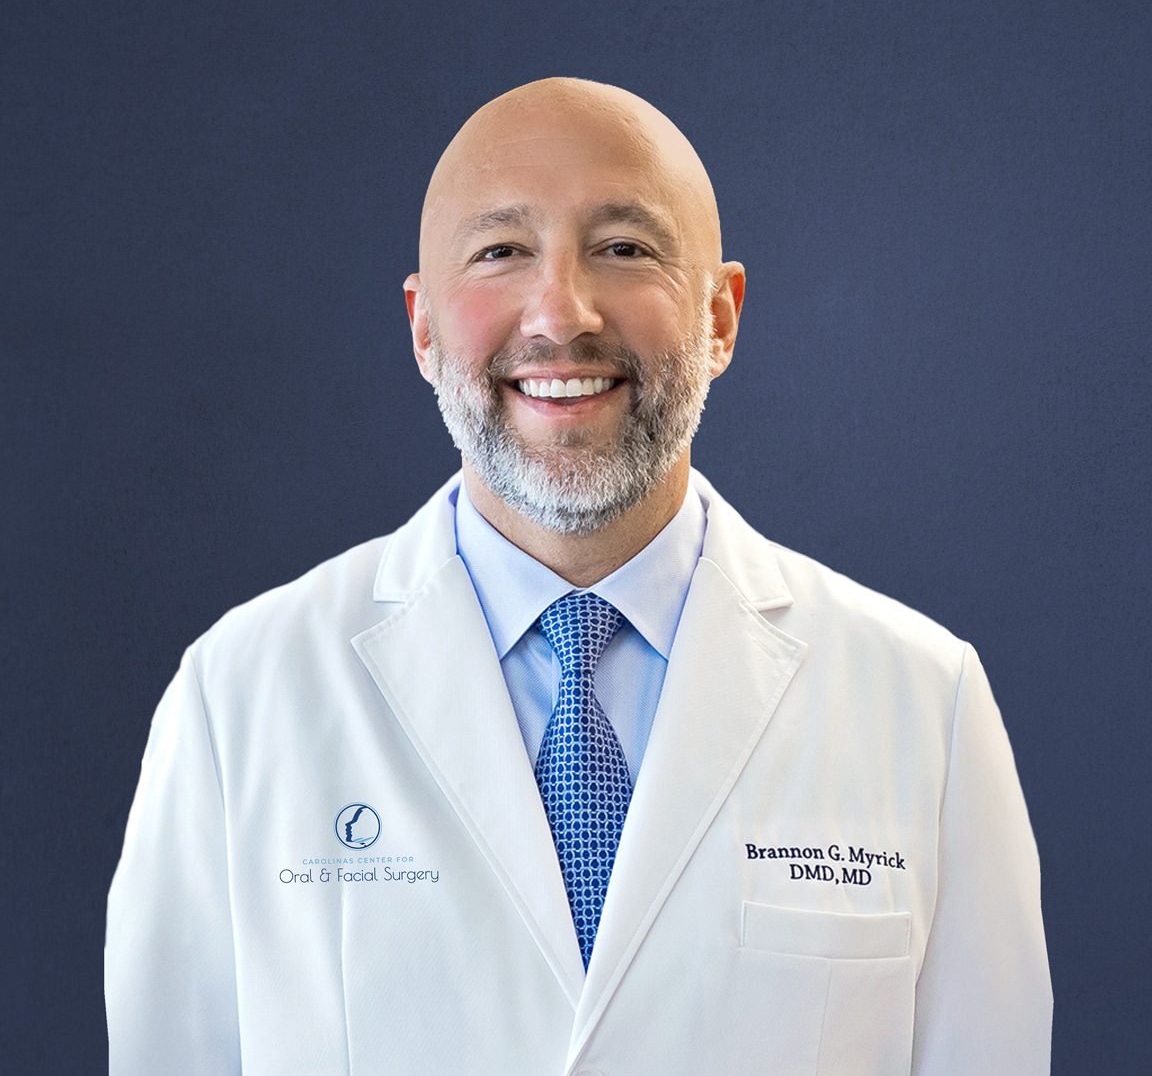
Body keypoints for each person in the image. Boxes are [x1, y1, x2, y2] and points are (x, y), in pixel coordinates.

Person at [105, 78, 1052, 1075]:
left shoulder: (922, 704)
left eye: (625, 248)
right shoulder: (239, 696)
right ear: (423, 328)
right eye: (502, 251)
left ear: (721, 317)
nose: (562, 313)